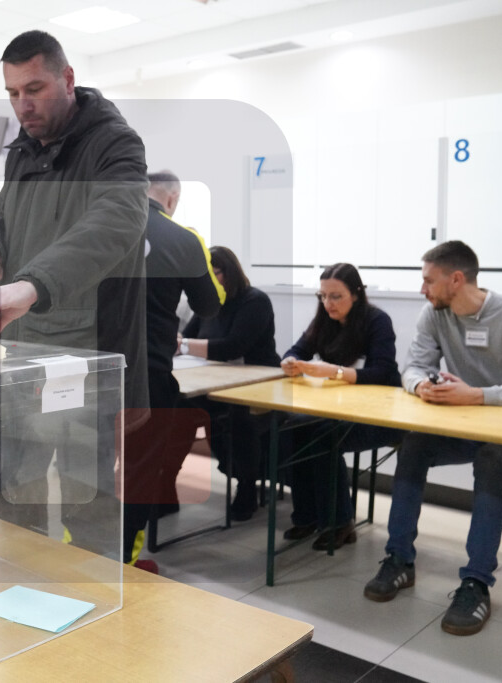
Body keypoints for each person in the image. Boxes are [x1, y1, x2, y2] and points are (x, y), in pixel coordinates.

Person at [0, 30, 148, 552]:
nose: (22, 105)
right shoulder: (21, 152)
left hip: (86, 364)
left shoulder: (115, 143)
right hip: (21, 359)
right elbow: (7, 220)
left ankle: (93, 600)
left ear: (68, 79)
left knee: (86, 508)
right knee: (14, 501)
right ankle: (15, 590)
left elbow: (116, 221)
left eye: (34, 89)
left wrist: (32, 284)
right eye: (12, 93)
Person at [363, 241, 502, 636]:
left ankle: (476, 583)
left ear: (455, 279)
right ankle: (399, 559)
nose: (422, 290)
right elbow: (413, 367)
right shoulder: (435, 314)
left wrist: (477, 395)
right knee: (413, 445)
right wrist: (422, 386)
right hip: (468, 428)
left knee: (491, 459)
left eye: (428, 281)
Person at [122, 171, 224, 570]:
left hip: (89, 371)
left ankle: (80, 556)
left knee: (86, 467)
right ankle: (124, 563)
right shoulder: (183, 238)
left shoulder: (100, 229)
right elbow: (210, 304)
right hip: (148, 375)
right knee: (140, 471)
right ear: (172, 199)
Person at [280, 263, 402, 550]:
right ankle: (307, 516)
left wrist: (334, 372)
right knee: (294, 429)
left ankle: (339, 523)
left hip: (381, 412)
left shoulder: (377, 320)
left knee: (323, 436)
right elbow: (297, 350)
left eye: (336, 296)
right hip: (341, 407)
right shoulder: (323, 320)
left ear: (356, 295)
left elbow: (383, 372)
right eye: (322, 296)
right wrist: (290, 361)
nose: (328, 303)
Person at [179, 246, 280, 521]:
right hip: (215, 379)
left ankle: (247, 485)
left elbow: (232, 347)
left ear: (229, 271)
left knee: (238, 416)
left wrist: (184, 345)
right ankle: (165, 482)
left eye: (215, 273)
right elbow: (185, 336)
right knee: (178, 406)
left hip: (257, 382)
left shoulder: (255, 301)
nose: (210, 280)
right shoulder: (209, 304)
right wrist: (180, 343)